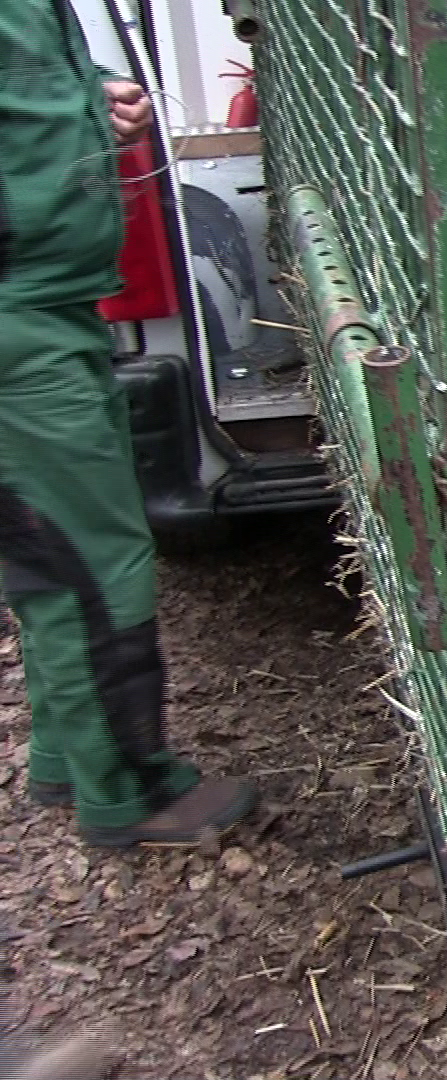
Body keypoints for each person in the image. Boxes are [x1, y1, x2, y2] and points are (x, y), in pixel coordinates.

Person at [1, 0, 256, 847]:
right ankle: (131, 791)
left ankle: (68, 758)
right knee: (94, 555)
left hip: (50, 300)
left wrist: (95, 100)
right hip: (17, 311)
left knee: (45, 545)